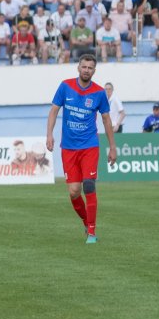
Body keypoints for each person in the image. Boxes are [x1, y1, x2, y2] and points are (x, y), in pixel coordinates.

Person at [45, 55, 118, 244]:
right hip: (68, 147)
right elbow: (53, 111)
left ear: (94, 71)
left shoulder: (99, 93)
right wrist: (49, 134)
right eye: (84, 66)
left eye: (90, 68)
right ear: (78, 68)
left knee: (89, 185)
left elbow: (106, 120)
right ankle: (86, 221)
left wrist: (112, 147)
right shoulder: (65, 86)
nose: (86, 70)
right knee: (74, 191)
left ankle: (92, 232)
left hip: (89, 146)